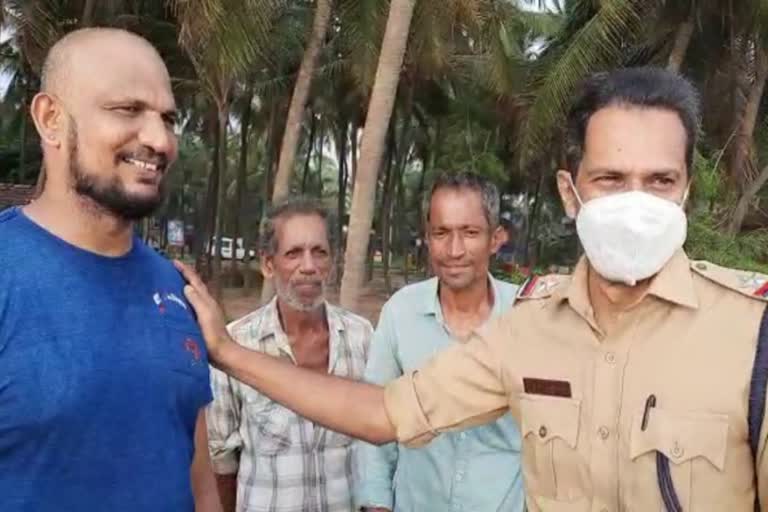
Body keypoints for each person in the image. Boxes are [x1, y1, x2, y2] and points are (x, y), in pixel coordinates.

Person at [177, 66, 768, 511]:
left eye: (659, 181)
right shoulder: (530, 328)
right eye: (611, 179)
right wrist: (228, 353)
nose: (635, 203)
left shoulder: (751, 335)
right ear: (571, 192)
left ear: (686, 191)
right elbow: (385, 412)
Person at [0, 28, 220, 511]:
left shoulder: (176, 289)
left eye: (168, 118)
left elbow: (195, 472)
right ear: (51, 119)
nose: (160, 140)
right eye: (127, 110)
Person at [354, 172, 524, 512]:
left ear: (496, 238)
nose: (454, 250)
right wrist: (376, 504)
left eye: (471, 232)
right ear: (427, 238)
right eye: (441, 233)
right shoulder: (401, 312)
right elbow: (376, 415)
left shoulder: (528, 316)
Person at [206, 197, 373, 512]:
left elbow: (375, 450)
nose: (308, 267)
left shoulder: (362, 337)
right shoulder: (235, 346)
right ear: (268, 265)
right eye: (293, 253)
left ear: (332, 262)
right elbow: (222, 463)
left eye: (319, 252)